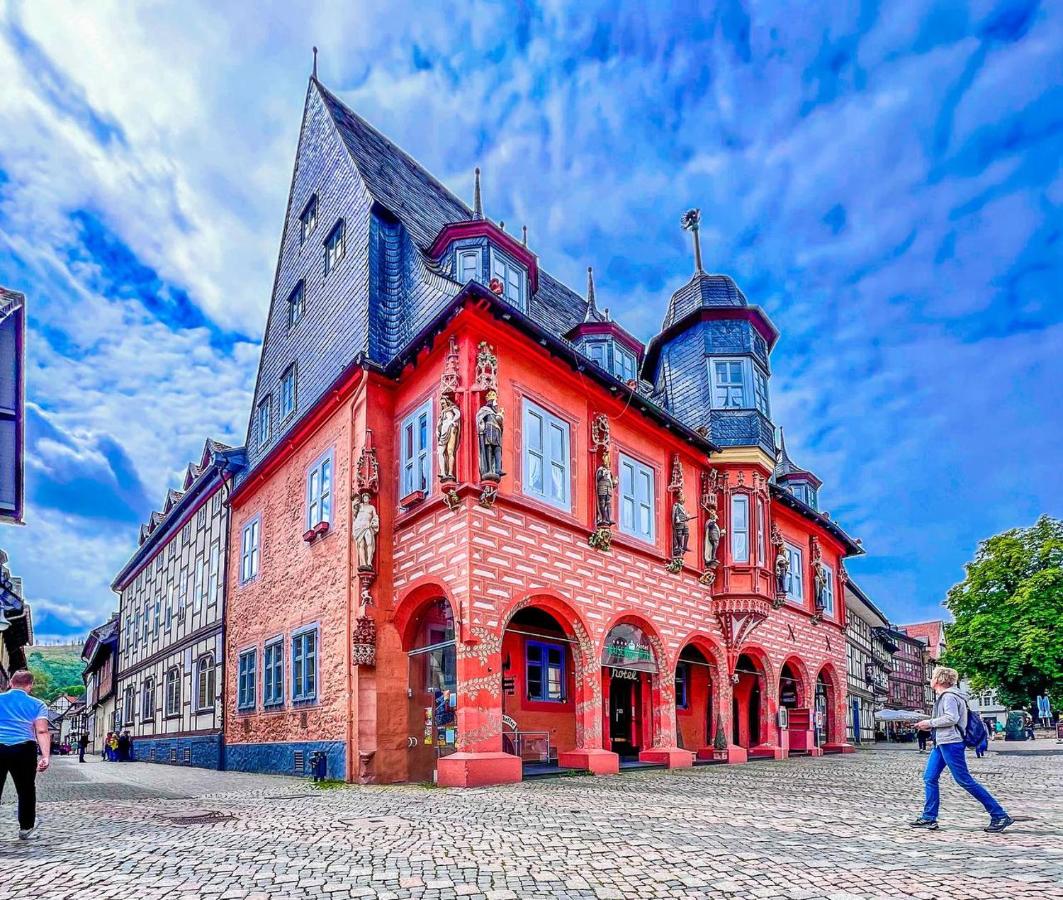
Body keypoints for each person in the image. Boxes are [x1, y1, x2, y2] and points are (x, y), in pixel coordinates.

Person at [910, 667, 1013, 834]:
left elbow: (952, 718)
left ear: (939, 679)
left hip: (951, 742)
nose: (931, 679)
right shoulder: (947, 696)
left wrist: (929, 723)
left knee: (964, 780)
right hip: (941, 742)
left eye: (933, 676)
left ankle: (999, 814)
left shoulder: (949, 696)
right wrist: (931, 726)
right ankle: (929, 817)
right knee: (929, 777)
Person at [0, 670, 51, 840]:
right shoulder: (38, 704)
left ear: (11, 683)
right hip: (24, 748)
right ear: (30, 686)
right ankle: (25, 827)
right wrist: (45, 756)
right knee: (26, 788)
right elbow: (42, 730)